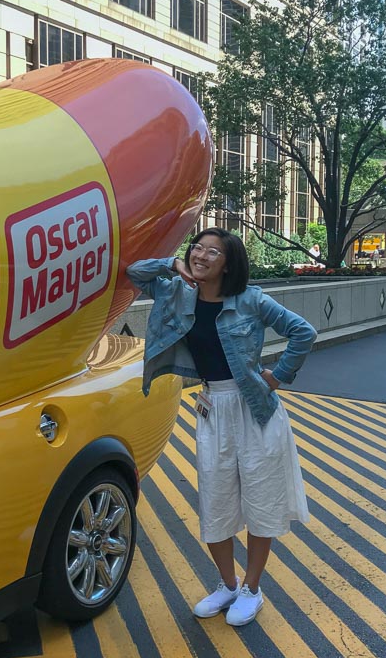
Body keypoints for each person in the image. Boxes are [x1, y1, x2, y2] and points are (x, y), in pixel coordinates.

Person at [127, 228, 316, 626]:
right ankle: (228, 584)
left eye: (213, 252)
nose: (201, 255)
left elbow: (303, 331)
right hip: (213, 405)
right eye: (197, 247)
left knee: (260, 500)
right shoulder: (177, 291)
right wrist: (173, 263)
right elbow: (133, 271)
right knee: (215, 501)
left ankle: (252, 588)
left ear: (228, 263)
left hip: (255, 409)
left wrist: (278, 376)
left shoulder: (250, 300)